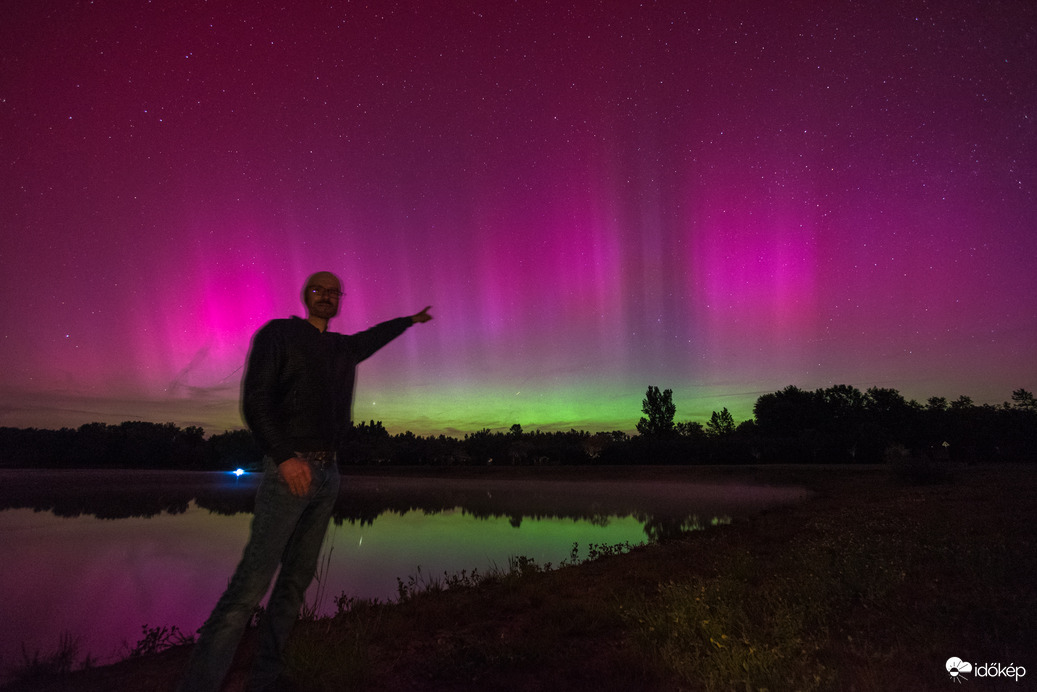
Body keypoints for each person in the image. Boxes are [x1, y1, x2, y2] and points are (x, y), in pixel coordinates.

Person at [177, 271, 432, 692]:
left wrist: (409, 320)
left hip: (328, 474)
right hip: (290, 472)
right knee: (249, 586)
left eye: (334, 292)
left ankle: (266, 677)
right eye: (319, 290)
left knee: (295, 582)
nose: (326, 297)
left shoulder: (342, 348)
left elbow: (374, 335)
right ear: (306, 295)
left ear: (339, 300)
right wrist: (284, 457)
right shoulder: (279, 334)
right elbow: (256, 400)